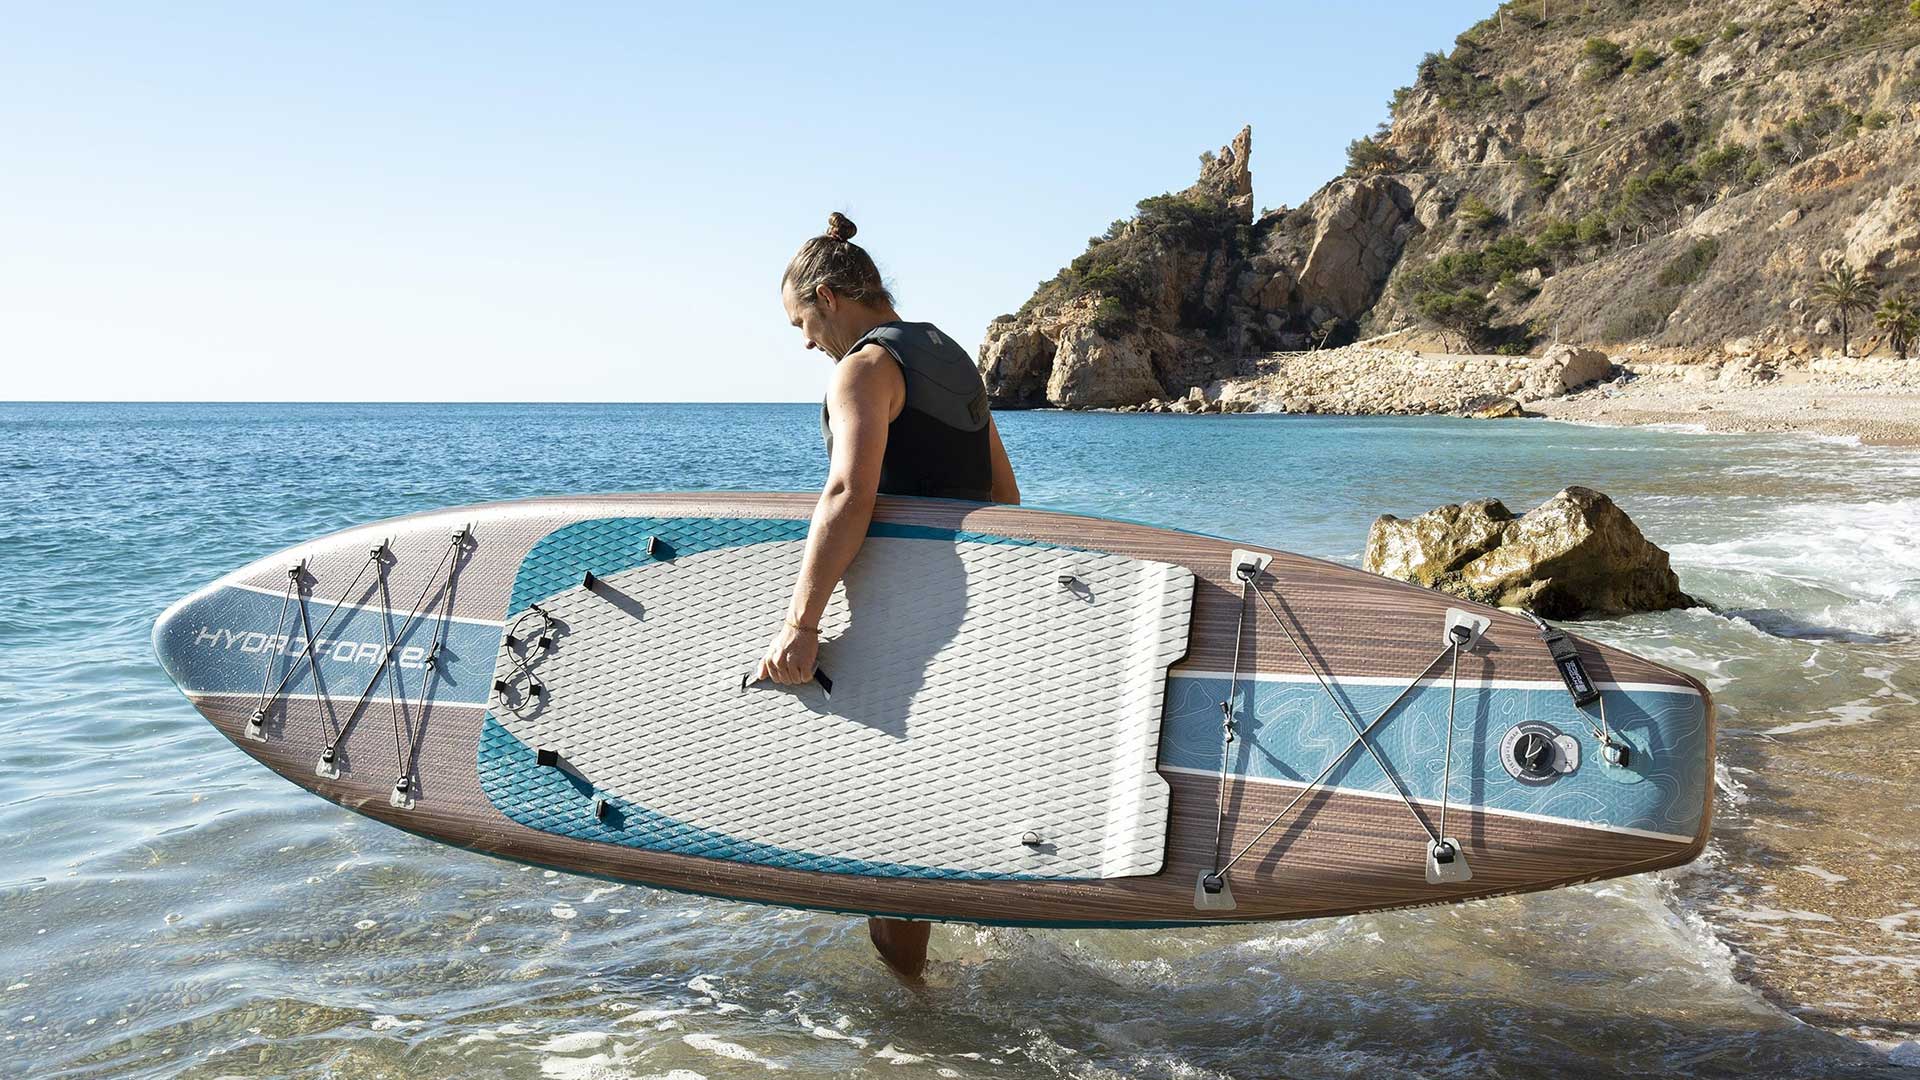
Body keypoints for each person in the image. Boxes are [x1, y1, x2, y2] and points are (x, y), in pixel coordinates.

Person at [752, 212, 1020, 981]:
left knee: (887, 830)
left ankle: (915, 1012)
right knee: (929, 799)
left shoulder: (865, 368)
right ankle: (961, 968)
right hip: (959, 605)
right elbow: (1005, 497)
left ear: (828, 297)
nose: (807, 343)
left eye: (801, 323)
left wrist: (801, 622)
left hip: (900, 615)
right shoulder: (951, 356)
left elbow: (847, 492)